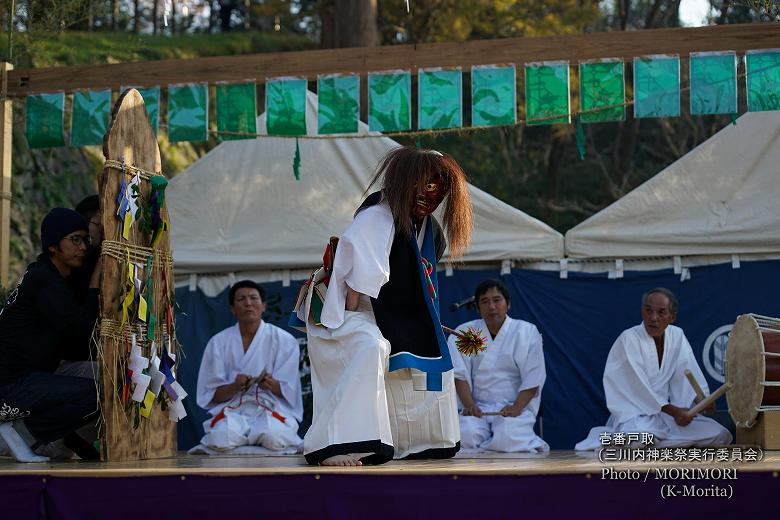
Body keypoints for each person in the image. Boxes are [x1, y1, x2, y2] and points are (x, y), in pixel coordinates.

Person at [300, 146, 473, 466]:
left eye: (438, 188)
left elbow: (416, 291)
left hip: (383, 311)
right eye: (423, 185)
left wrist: (426, 325)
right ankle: (339, 444)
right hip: (344, 310)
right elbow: (354, 285)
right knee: (370, 346)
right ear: (405, 182)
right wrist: (352, 329)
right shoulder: (378, 214)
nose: (429, 196)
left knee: (434, 353)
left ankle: (420, 441)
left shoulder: (429, 229)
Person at [0, 208, 102, 462]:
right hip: (11, 383)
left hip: (33, 375)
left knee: (110, 379)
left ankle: (58, 438)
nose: (83, 247)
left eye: (86, 240)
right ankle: (23, 433)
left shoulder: (51, 277)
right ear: (53, 246)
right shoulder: (44, 280)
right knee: (99, 394)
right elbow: (83, 329)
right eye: (75, 240)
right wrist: (95, 285)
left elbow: (72, 342)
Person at [575, 288, 732, 450]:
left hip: (665, 416)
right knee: (642, 439)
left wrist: (702, 401)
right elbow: (637, 389)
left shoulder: (677, 336)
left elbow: (687, 375)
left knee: (719, 434)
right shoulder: (629, 338)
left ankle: (659, 442)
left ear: (672, 317)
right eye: (648, 310)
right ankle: (651, 441)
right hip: (635, 415)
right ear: (642, 312)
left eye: (661, 312)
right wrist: (676, 412)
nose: (653, 318)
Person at [196, 280, 303, 452]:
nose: (248, 303)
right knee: (221, 437)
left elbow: (290, 390)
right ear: (232, 308)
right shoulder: (218, 342)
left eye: (254, 298)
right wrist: (235, 386)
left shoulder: (284, 340)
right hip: (232, 411)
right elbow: (210, 395)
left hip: (270, 407)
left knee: (273, 436)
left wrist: (271, 383)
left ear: (264, 306)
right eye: (241, 299)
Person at [448, 279, 548, 453]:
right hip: (477, 409)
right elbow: (459, 374)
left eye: (497, 300)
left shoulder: (526, 331)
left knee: (508, 437)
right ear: (478, 307)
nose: (491, 307)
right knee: (466, 434)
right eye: (485, 302)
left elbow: (534, 375)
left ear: (508, 304)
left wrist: (517, 406)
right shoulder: (466, 333)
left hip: (514, 408)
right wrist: (469, 405)